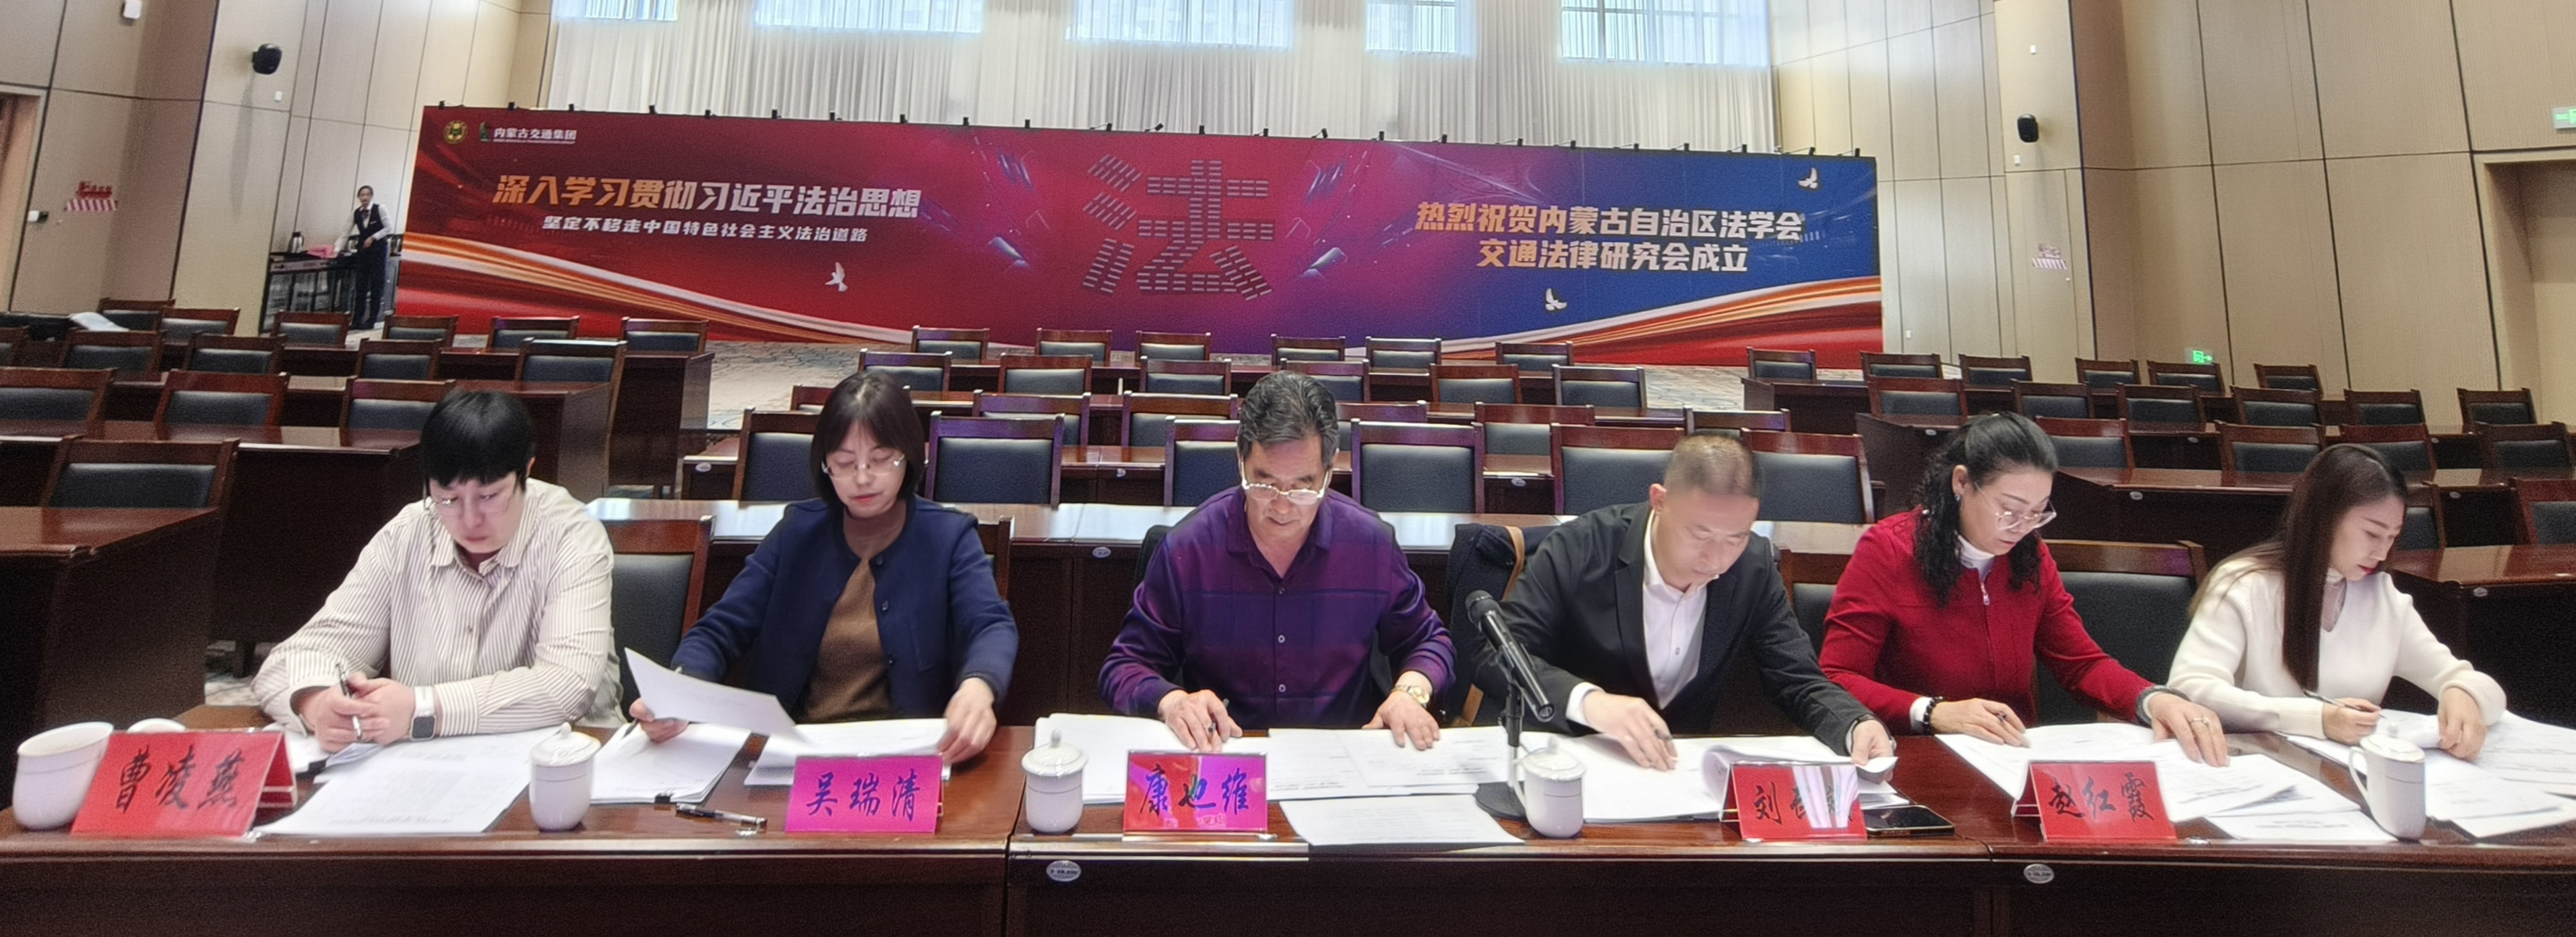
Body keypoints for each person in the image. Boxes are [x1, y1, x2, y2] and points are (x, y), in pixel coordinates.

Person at [633, 373, 1016, 763]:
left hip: (907, 755)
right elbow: (721, 628)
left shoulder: (948, 537)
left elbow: (989, 624)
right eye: (844, 463)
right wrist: (680, 692)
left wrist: (978, 687)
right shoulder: (797, 532)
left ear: (909, 457)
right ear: (825, 465)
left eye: (881, 460)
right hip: (795, 754)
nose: (862, 478)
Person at [1818, 412, 2228, 763]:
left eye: (2038, 513)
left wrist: (2152, 699)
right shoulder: (1889, 550)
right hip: (1920, 753)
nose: (2022, 528)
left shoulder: (2029, 556)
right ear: (1962, 482)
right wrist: (1932, 712)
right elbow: (1837, 677)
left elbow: (2080, 664)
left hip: (2013, 755)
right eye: (2009, 509)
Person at [1473, 433, 1892, 769]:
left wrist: (1854, 723)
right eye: (1700, 534)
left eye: (1735, 537)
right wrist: (1589, 702)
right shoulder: (1582, 546)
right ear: (1660, 500)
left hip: (1680, 772)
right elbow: (1497, 656)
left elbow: (1797, 678)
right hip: (1568, 760)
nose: (1716, 559)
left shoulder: (1753, 567)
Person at [1100, 370, 1453, 749]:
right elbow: (1124, 668)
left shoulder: (1371, 545)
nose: (1282, 507)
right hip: (1230, 753)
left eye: (1303, 487)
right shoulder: (1189, 549)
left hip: (1342, 754)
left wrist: (1410, 693)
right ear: (1241, 460)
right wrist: (1172, 702)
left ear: (1329, 470)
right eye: (1265, 484)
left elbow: (1429, 640)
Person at [256, 390, 618, 750]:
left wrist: (422, 708)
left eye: (489, 497)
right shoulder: (408, 533)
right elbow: (296, 658)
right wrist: (318, 703)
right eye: (448, 498)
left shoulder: (571, 537)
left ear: (527, 470)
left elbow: (567, 685)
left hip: (564, 759)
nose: (469, 520)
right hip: (422, 763)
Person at [2171, 444, 2502, 759]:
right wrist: (2317, 718)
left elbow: (2476, 685)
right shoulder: (2244, 585)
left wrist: (2463, 692)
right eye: (2372, 534)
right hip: (2259, 769)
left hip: (2351, 775)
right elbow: (2190, 688)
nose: (2382, 553)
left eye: (2393, 537)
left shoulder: (2382, 596)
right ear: (2324, 518)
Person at [346, 184, 391, 329]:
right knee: (361, 286)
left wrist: (373, 237)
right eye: (362, 195)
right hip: (363, 252)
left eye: (367, 195)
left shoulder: (380, 208)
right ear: (359, 197)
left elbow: (388, 228)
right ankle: (357, 320)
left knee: (376, 286)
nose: (364, 197)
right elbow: (345, 232)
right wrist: (336, 249)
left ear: (371, 196)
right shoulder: (356, 213)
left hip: (378, 250)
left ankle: (371, 320)